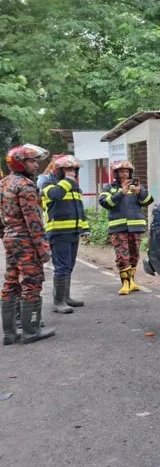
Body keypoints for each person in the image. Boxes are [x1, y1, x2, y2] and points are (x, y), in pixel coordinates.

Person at [1, 144, 56, 344]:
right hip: (26, 240)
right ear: (19, 163)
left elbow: (1, 217)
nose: (36, 164)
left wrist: (6, 235)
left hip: (10, 238)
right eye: (31, 161)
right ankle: (31, 330)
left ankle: (9, 333)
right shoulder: (25, 185)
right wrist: (43, 249)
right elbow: (33, 220)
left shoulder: (4, 183)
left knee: (11, 282)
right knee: (32, 282)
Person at [41, 155, 89, 313]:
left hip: (73, 232)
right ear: (59, 170)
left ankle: (66, 297)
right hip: (58, 232)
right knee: (61, 267)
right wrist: (68, 181)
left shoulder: (74, 188)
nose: (72, 172)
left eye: (74, 169)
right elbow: (56, 195)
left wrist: (85, 228)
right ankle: (58, 302)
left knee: (69, 266)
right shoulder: (48, 184)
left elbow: (80, 210)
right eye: (68, 169)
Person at [99, 160, 153, 295]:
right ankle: (125, 284)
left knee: (134, 255)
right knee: (122, 256)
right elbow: (105, 203)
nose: (125, 173)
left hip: (136, 227)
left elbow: (148, 201)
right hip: (118, 228)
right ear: (116, 173)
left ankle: (132, 281)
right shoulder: (109, 188)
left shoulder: (136, 187)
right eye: (122, 171)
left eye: (127, 171)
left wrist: (140, 192)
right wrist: (121, 193)